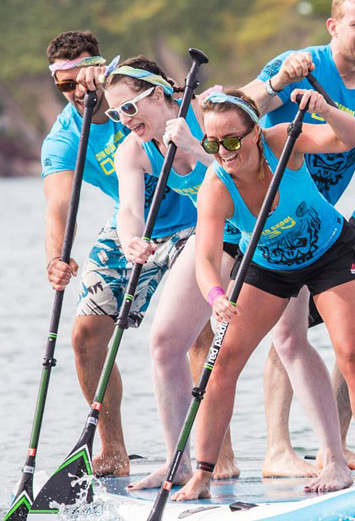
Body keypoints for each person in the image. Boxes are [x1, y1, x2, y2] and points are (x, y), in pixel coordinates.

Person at [173, 89, 355, 501]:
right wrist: (217, 295)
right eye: (212, 143)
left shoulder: (283, 141)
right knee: (220, 367)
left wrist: (326, 110)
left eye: (232, 140)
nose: (223, 151)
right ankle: (202, 476)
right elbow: (205, 258)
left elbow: (349, 137)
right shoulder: (216, 188)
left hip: (331, 251)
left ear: (255, 133)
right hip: (267, 266)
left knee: (352, 354)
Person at [236, 0, 355, 475]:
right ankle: (278, 449)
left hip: (320, 229)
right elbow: (233, 115)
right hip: (267, 222)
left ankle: (333, 446)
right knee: (287, 334)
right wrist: (279, 80)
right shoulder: (302, 60)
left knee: (302, 334)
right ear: (333, 26)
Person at [98, 57, 241, 485]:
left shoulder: (206, 116)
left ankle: (335, 458)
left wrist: (197, 150)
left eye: (127, 108)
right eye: (113, 113)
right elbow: (128, 208)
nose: (124, 121)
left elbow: (252, 173)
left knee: (290, 344)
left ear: (157, 95)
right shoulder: (134, 150)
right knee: (163, 342)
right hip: (217, 237)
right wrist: (130, 240)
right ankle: (177, 461)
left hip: (271, 228)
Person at [40, 32, 160, 476]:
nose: (76, 94)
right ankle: (113, 452)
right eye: (64, 87)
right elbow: (58, 204)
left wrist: (114, 79)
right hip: (130, 224)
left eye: (81, 80)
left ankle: (215, 459)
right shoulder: (64, 136)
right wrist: (57, 257)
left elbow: (175, 97)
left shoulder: (131, 91)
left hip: (196, 214)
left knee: (194, 332)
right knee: (85, 336)